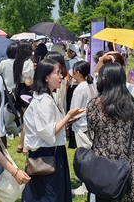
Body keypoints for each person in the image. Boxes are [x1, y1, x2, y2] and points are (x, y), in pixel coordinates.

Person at [22, 59, 85, 202]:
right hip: (46, 154)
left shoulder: (46, 97)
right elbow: (48, 132)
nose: (61, 76)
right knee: (49, 194)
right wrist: (68, 116)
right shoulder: (44, 100)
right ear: (46, 77)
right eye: (57, 73)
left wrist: (67, 121)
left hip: (50, 151)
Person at [86, 63, 134, 202]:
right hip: (132, 167)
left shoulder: (95, 105)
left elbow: (91, 134)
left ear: (104, 80)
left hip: (107, 168)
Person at [69, 61, 96, 197]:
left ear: (78, 73)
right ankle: (85, 182)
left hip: (81, 126)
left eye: (73, 71)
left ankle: (85, 186)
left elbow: (74, 111)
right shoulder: (92, 84)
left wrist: (67, 123)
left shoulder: (79, 88)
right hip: (90, 126)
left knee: (84, 158)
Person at [13, 42, 34, 154]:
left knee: (25, 119)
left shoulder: (17, 61)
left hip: (18, 91)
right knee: (28, 120)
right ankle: (24, 145)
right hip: (26, 92)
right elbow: (28, 82)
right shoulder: (28, 62)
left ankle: (21, 145)